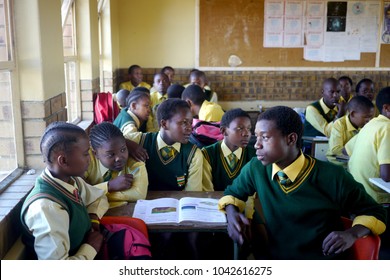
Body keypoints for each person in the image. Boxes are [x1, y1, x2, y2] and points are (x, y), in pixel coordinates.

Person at [218, 106, 386, 260]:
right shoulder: (256, 168)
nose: (257, 145)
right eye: (257, 136)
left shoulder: (332, 176)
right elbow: (233, 193)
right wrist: (232, 214)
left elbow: (376, 212)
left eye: (266, 137)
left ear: (291, 139)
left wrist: (351, 234)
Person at [20, 122, 109, 260]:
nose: (90, 159)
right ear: (64, 161)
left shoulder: (72, 181)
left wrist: (93, 217)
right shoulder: (46, 208)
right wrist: (90, 247)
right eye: (86, 154)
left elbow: (98, 197)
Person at [347, 87, 390, 258]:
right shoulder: (387, 128)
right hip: (378, 203)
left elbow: (346, 150)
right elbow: (387, 175)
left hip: (359, 198)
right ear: (387, 108)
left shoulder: (372, 124)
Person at [125, 98, 203, 191]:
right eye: (184, 122)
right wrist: (127, 142)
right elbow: (106, 136)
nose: (190, 128)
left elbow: (191, 195)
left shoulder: (193, 154)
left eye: (190, 123)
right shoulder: (140, 140)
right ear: (164, 124)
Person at [84, 122, 148, 208]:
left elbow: (139, 193)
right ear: (95, 154)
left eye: (123, 150)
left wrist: (94, 193)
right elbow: (78, 193)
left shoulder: (134, 159)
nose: (119, 158)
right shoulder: (86, 160)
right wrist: (110, 186)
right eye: (111, 154)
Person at [326, 96, 375, 161]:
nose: (368, 120)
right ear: (353, 114)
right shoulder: (339, 124)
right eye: (366, 117)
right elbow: (335, 150)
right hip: (337, 162)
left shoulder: (367, 126)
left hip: (355, 161)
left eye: (370, 117)